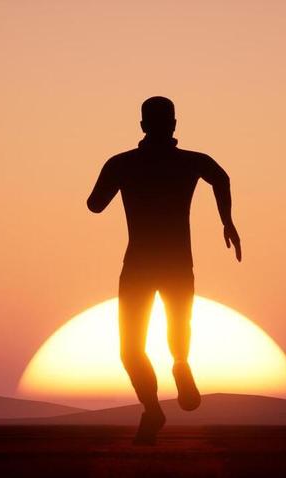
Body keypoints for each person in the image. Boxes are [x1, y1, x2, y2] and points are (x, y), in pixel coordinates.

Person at [87, 96, 241, 445]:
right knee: (177, 322)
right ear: (174, 125)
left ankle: (153, 408)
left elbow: (95, 205)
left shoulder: (123, 163)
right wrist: (227, 222)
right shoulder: (191, 162)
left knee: (130, 348)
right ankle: (181, 364)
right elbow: (220, 177)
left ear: (142, 126)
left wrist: (118, 175)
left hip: (139, 264)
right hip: (177, 263)